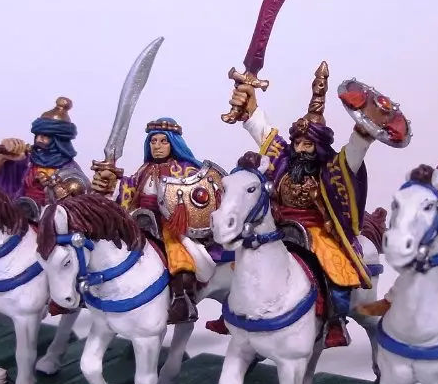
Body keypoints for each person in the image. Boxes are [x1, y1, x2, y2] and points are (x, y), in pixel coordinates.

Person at [225, 62, 375, 348]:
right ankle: (236, 310)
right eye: (298, 144)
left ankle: (335, 320)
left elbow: (354, 155)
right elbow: (263, 131)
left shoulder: (331, 168)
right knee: (242, 259)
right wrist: (249, 104)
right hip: (279, 226)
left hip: (317, 230)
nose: (300, 149)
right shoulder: (283, 159)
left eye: (307, 145)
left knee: (335, 269)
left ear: (318, 147)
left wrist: (363, 132)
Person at [91, 117, 206, 324]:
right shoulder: (144, 169)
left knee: (179, 255)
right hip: (140, 220)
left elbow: (196, 197)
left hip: (169, 224)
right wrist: (112, 181)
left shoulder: (186, 170)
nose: (157, 146)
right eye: (153, 141)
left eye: (163, 141)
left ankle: (182, 300)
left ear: (173, 143)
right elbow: (129, 191)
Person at [0, 97, 90, 223]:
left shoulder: (70, 170)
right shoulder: (27, 161)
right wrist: (3, 156)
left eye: (45, 136)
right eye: (38, 135)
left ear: (59, 141)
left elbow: (77, 203)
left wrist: (56, 190)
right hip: (20, 215)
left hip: (51, 222)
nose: (39, 140)